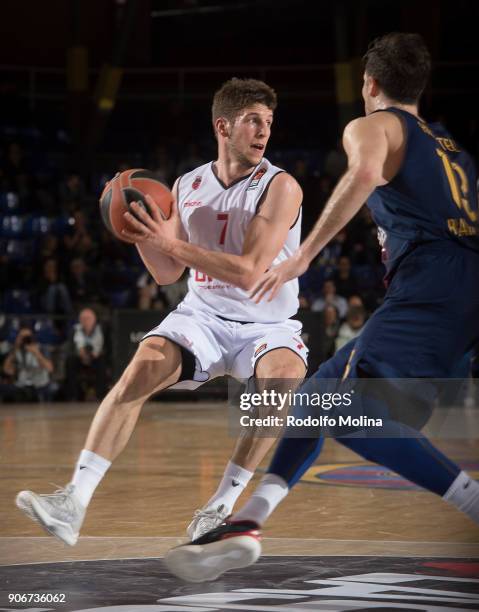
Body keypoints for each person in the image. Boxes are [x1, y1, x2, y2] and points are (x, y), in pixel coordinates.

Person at [163, 32, 479, 582]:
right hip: (460, 292)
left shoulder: (372, 125)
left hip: (432, 286)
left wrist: (303, 256)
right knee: (315, 399)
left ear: (371, 83)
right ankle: (249, 520)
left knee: (350, 416)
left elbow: (361, 175)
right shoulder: (454, 149)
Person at [16, 78, 308, 545]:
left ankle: (218, 509)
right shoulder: (187, 184)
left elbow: (251, 272)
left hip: (266, 323)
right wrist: (139, 234)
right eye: (254, 120)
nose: (264, 131)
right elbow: (167, 272)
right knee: (139, 370)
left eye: (269, 122)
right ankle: (73, 501)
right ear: (223, 126)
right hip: (204, 315)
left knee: (280, 383)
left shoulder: (280, 186)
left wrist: (168, 242)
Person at [1, 326, 54, 402]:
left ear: (33, 337)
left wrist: (37, 353)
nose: (25, 340)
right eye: (22, 337)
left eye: (27, 337)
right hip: (22, 385)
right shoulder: (15, 351)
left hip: (39, 384)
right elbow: (6, 370)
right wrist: (15, 350)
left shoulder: (41, 348)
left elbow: (50, 369)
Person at [65, 308, 107, 401]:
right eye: (83, 319)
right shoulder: (75, 330)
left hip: (96, 357)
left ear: (94, 319)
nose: (86, 321)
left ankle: (100, 395)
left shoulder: (101, 329)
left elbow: (106, 347)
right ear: (80, 320)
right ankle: (73, 396)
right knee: (70, 361)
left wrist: (95, 353)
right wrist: (80, 354)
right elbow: (70, 348)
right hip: (79, 357)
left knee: (102, 362)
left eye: (88, 318)